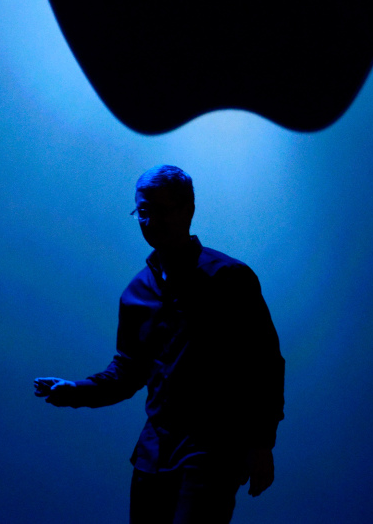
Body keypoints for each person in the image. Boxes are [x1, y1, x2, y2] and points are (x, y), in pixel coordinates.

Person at [34, 164, 285, 524]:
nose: (149, 222)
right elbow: (127, 372)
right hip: (153, 454)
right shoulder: (137, 293)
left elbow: (265, 363)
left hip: (211, 451)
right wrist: (76, 390)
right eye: (143, 212)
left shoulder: (228, 279)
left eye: (160, 210)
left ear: (188, 210)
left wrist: (261, 444)